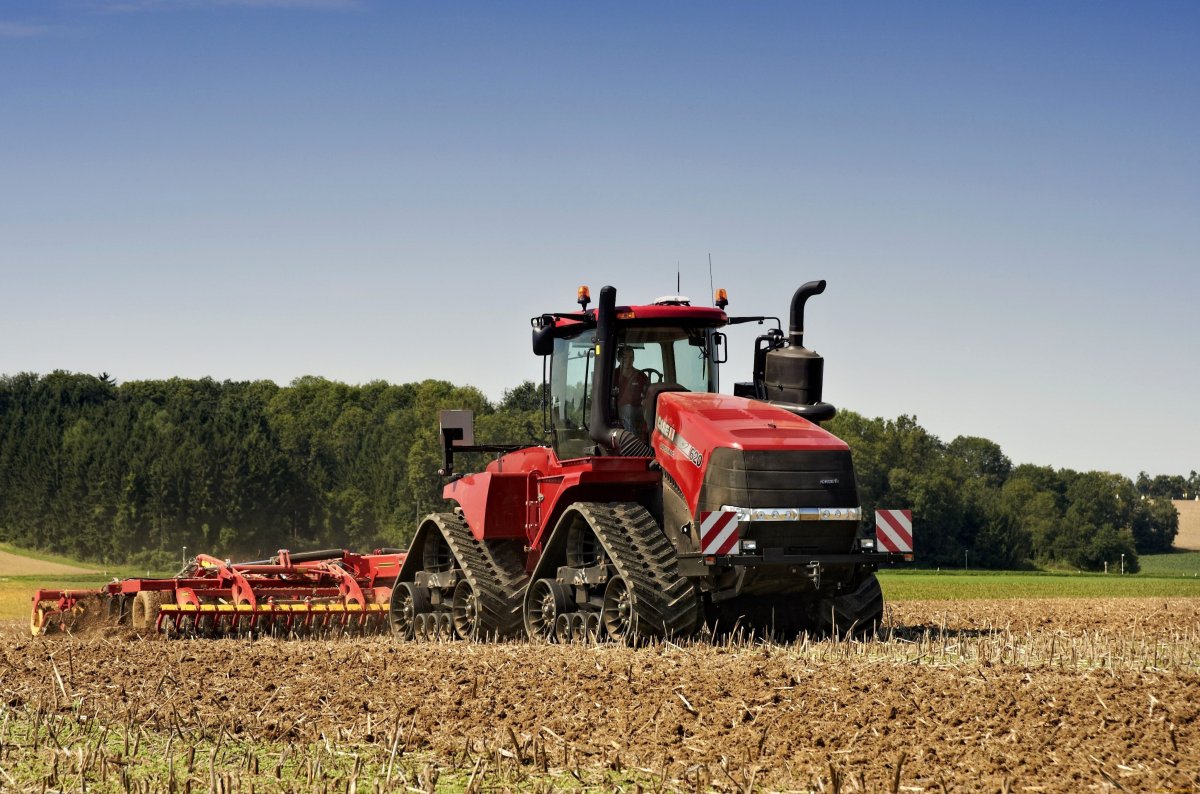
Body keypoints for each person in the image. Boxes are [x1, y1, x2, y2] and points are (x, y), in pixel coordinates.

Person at [615, 346, 649, 433]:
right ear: (618, 359)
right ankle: (632, 440)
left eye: (631, 357)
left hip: (639, 409)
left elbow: (648, 393)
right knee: (628, 409)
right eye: (625, 357)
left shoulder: (641, 376)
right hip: (618, 410)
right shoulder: (613, 375)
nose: (628, 360)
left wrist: (646, 400)